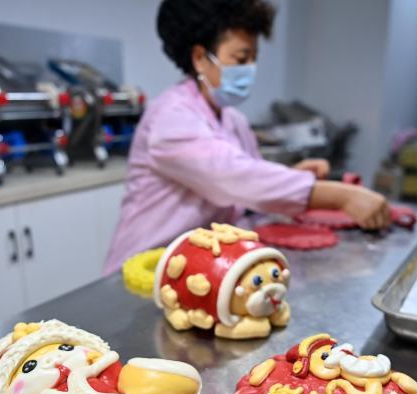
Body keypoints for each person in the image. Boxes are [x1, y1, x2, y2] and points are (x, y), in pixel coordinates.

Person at [104, 0, 389, 274]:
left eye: (254, 59)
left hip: (197, 266)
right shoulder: (170, 117)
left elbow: (249, 187)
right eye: (241, 59)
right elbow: (237, 179)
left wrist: (293, 175)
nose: (250, 69)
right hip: (146, 268)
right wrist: (340, 196)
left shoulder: (233, 120)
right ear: (200, 58)